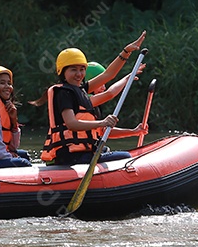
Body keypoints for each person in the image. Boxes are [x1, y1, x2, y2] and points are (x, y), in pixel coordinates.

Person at [41, 35, 146, 166]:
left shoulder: (81, 91)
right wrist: (102, 123)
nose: (79, 74)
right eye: (73, 70)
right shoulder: (63, 93)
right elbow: (71, 124)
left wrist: (126, 51)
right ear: (62, 72)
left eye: (82, 69)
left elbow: (108, 74)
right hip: (70, 156)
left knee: (116, 154)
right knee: (125, 157)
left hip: (84, 153)